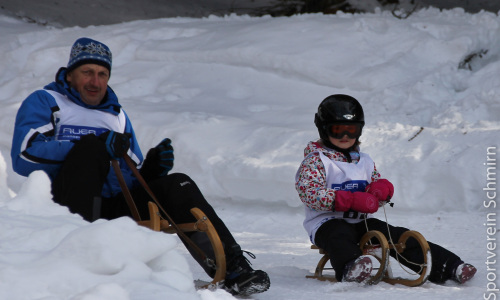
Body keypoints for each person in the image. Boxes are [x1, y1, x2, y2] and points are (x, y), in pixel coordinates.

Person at [11, 37, 270, 296]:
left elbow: (127, 176)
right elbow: (24, 155)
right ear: (69, 76)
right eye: (87, 72)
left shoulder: (116, 115)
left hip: (110, 208)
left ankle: (232, 268)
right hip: (65, 208)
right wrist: (93, 145)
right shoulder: (47, 101)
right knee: (91, 149)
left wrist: (151, 171)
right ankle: (85, 257)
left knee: (178, 184)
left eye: (102, 74)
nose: (95, 82)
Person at [295, 94, 477, 284]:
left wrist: (381, 191)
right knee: (338, 235)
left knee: (393, 235)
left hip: (360, 222)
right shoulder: (316, 161)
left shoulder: (363, 160)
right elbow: (310, 193)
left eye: (352, 130)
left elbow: (375, 183)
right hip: (325, 223)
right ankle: (352, 266)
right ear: (324, 129)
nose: (345, 136)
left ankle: (448, 266)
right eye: (338, 130)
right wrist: (350, 200)